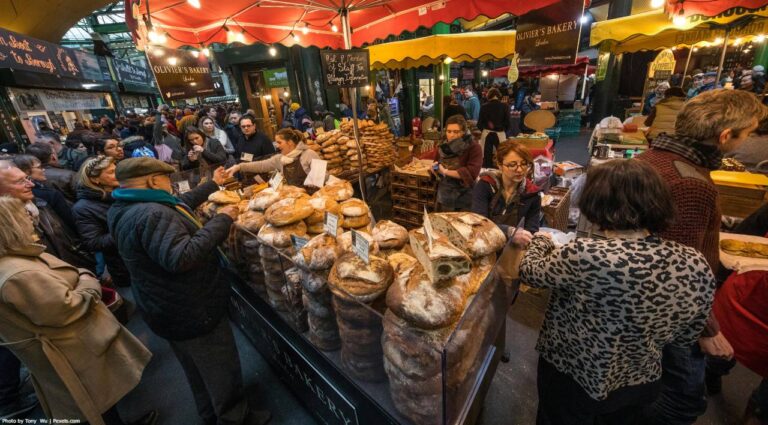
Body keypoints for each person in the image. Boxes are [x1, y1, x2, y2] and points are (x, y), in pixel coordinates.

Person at [520, 159, 715, 425]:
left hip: (572, 374)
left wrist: (541, 241)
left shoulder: (587, 253)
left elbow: (531, 272)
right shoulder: (693, 260)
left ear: (596, 203)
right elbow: (686, 335)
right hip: (640, 380)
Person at [637, 89, 767, 425]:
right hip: (674, 315)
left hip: (644, 305)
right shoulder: (690, 183)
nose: (747, 140)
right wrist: (707, 329)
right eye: (747, 133)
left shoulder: (650, 158)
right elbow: (679, 271)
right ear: (725, 135)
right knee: (682, 402)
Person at [107, 158, 271, 425]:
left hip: (162, 305)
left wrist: (210, 186)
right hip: (191, 308)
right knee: (220, 368)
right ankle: (236, 418)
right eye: (166, 179)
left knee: (195, 368)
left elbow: (178, 206)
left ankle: (208, 412)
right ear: (152, 181)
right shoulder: (152, 213)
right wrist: (222, 220)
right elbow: (182, 257)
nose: (169, 185)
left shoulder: (123, 205)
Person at [0, 195, 155, 425]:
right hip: (71, 350)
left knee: (101, 402)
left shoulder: (16, 259)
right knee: (96, 405)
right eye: (23, 214)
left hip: (74, 347)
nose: (31, 218)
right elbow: (65, 309)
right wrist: (86, 278)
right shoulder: (18, 273)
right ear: (10, 224)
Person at [709, 203, 768, 424]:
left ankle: (759, 410)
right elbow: (742, 238)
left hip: (749, 294)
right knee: (724, 348)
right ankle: (712, 373)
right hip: (752, 297)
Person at [73, 156, 131, 287]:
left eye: (116, 169)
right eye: (111, 172)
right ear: (95, 179)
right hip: (124, 265)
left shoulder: (123, 192)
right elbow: (93, 242)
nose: (117, 174)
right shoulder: (83, 208)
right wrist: (126, 230)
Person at [471, 140, 539, 244]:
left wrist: (531, 236)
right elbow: (479, 222)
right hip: (486, 243)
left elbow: (532, 229)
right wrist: (509, 231)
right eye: (512, 165)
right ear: (500, 165)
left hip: (515, 247)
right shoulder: (485, 185)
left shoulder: (532, 193)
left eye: (524, 164)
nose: (520, 170)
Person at [420, 115, 482, 211]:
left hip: (464, 197)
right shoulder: (443, 146)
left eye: (456, 132)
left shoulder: (473, 147)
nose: (452, 135)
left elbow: (472, 172)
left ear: (463, 132)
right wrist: (434, 169)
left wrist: (445, 171)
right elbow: (437, 164)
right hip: (444, 195)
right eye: (449, 131)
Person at [226, 128, 320, 187]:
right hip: (294, 199)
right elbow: (261, 165)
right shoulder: (280, 158)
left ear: (290, 142)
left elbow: (321, 178)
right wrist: (239, 167)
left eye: (279, 142)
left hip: (312, 199)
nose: (277, 146)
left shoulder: (309, 154)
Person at [11, 155, 76, 233]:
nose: (43, 169)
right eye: (39, 167)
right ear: (25, 171)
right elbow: (69, 223)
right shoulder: (49, 195)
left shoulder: (42, 189)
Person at [478, 88, 511, 168]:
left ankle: (487, 174)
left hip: (487, 134)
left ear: (489, 96)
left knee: (486, 157)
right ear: (498, 95)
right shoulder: (505, 106)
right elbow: (508, 123)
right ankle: (502, 172)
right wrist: (503, 130)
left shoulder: (484, 106)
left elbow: (479, 124)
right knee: (502, 156)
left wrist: (484, 129)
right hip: (500, 134)